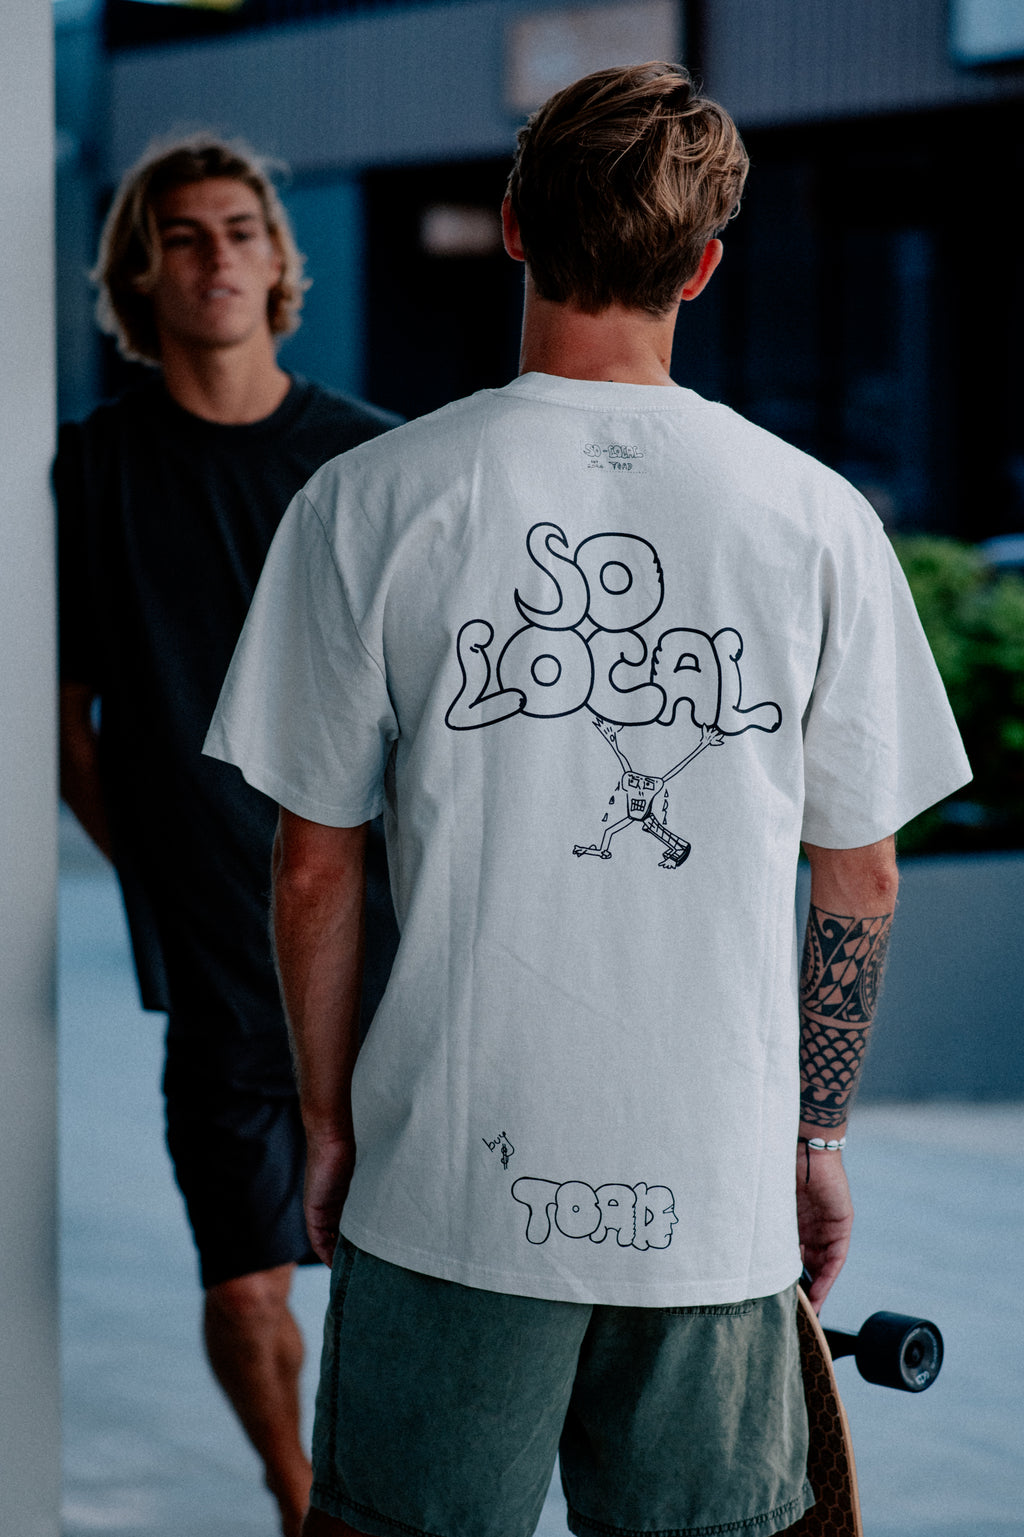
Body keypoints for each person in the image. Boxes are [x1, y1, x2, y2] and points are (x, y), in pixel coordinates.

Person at [205, 63, 971, 1537]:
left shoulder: (369, 501)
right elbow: (859, 875)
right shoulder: (817, 517)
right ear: (703, 262)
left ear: (511, 228)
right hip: (713, 1204)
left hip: (445, 1184)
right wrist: (815, 1139)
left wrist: (326, 1117)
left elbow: (313, 866)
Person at [55, 134, 399, 1537]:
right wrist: (163, 857)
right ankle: (300, 1502)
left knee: (402, 1277)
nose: (215, 258)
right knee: (243, 1279)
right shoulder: (87, 470)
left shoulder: (368, 458)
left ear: (279, 259)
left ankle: (391, 1493)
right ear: (142, 269)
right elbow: (58, 716)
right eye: (183, 236)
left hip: (385, 961)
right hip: (212, 965)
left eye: (242, 230)